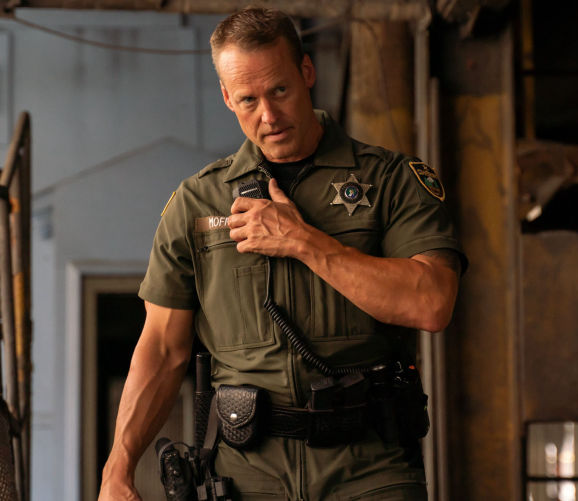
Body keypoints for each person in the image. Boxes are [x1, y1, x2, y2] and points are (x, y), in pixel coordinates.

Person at [99, 7, 466, 501]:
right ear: (227, 97)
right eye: (248, 100)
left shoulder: (391, 180)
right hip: (248, 471)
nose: (268, 116)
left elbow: (432, 303)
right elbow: (163, 348)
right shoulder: (197, 203)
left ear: (306, 72)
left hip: (370, 466)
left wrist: (306, 242)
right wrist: (118, 468)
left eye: (279, 90)